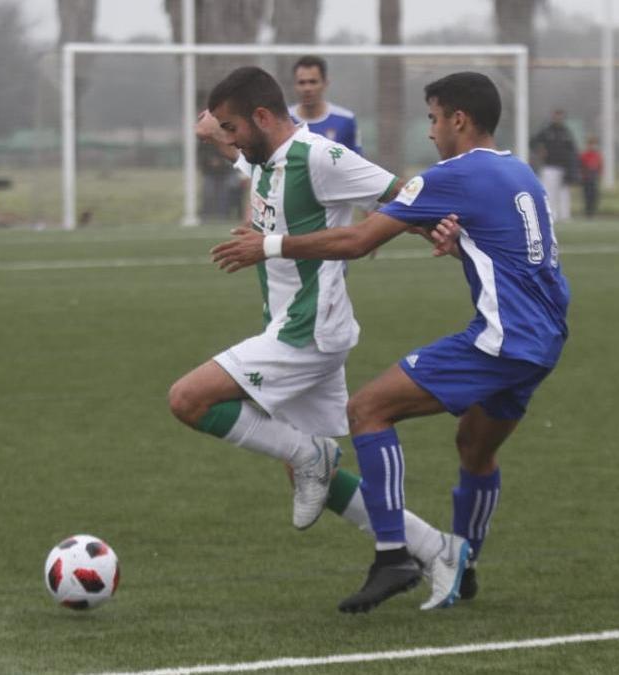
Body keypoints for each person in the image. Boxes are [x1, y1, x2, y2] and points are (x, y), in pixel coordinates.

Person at [212, 71, 570, 614]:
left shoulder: (452, 174)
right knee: (476, 447)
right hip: (544, 338)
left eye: (432, 118)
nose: (429, 132)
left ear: (459, 120)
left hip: (502, 339)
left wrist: (271, 245)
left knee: (368, 409)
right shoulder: (517, 171)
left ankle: (394, 555)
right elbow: (507, 245)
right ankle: (463, 564)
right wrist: (459, 242)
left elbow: (357, 241)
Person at [179, 66, 471, 611]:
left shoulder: (320, 157)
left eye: (234, 127)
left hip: (307, 334)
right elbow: (228, 143)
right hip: (291, 325)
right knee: (306, 470)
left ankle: (311, 453)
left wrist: (444, 230)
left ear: (263, 118)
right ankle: (439, 548)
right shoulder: (262, 157)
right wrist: (211, 128)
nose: (231, 140)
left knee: (189, 400)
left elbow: (401, 194)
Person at [288, 55, 361, 154]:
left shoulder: (345, 120)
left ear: (325, 83)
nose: (307, 88)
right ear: (295, 85)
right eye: (302, 82)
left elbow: (357, 162)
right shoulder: (283, 120)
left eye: (313, 82)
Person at [530, 109, 578, 221]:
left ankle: (564, 215)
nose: (558, 118)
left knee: (564, 192)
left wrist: (572, 166)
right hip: (549, 166)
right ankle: (551, 215)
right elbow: (532, 142)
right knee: (549, 191)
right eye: (556, 116)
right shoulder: (546, 131)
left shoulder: (566, 132)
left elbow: (572, 149)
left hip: (564, 167)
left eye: (560, 116)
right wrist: (539, 150)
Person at [578, 135, 602, 218]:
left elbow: (600, 166)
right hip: (586, 178)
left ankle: (592, 212)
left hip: (594, 178)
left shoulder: (597, 155)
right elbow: (581, 166)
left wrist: (599, 175)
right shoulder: (584, 155)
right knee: (587, 196)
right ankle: (587, 212)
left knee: (594, 196)